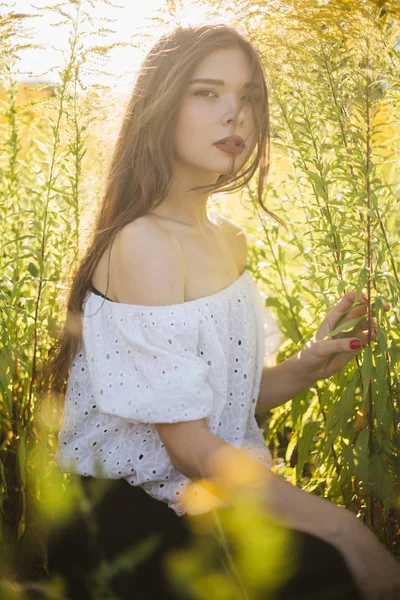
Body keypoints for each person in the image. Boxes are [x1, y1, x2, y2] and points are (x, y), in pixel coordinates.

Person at [40, 23, 400, 600]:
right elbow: (187, 446)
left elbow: (211, 407)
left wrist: (306, 366)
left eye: (249, 97)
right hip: (123, 521)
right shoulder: (142, 243)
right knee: (332, 565)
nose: (234, 113)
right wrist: (346, 527)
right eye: (206, 92)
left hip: (203, 494)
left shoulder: (228, 239)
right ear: (159, 105)